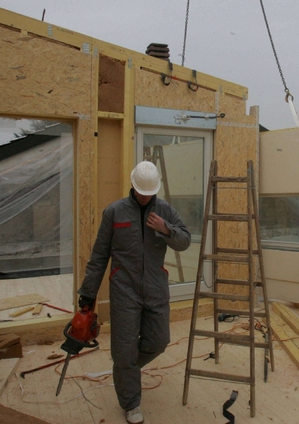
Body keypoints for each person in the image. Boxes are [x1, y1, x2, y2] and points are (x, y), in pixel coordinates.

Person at [77, 160, 191, 424]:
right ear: (133, 185)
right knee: (124, 349)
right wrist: (88, 292)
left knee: (159, 341)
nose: (145, 197)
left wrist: (166, 229)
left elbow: (185, 240)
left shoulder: (164, 210)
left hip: (155, 288)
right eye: (142, 192)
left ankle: (125, 372)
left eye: (150, 193)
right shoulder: (114, 212)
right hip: (124, 290)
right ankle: (131, 403)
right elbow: (99, 255)